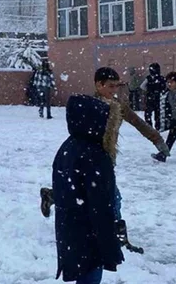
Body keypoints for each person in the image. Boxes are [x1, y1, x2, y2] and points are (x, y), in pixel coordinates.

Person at [40, 67, 167, 253]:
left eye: (116, 86)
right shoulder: (88, 105)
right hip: (88, 161)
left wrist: (156, 139)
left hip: (105, 161)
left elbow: (138, 122)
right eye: (110, 86)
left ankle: (51, 196)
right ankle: (117, 237)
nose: (114, 90)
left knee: (90, 195)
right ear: (98, 84)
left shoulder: (119, 105)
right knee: (110, 198)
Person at [51, 94, 124, 284]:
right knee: (90, 276)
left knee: (84, 274)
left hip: (71, 230)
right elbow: (101, 205)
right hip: (90, 233)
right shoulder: (95, 155)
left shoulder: (68, 147)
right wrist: (110, 243)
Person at [141, 62, 166, 131]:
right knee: (158, 114)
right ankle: (158, 127)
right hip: (159, 98)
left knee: (148, 114)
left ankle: (149, 127)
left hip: (150, 98)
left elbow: (142, 86)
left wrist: (149, 90)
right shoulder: (162, 78)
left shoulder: (148, 78)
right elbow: (165, 88)